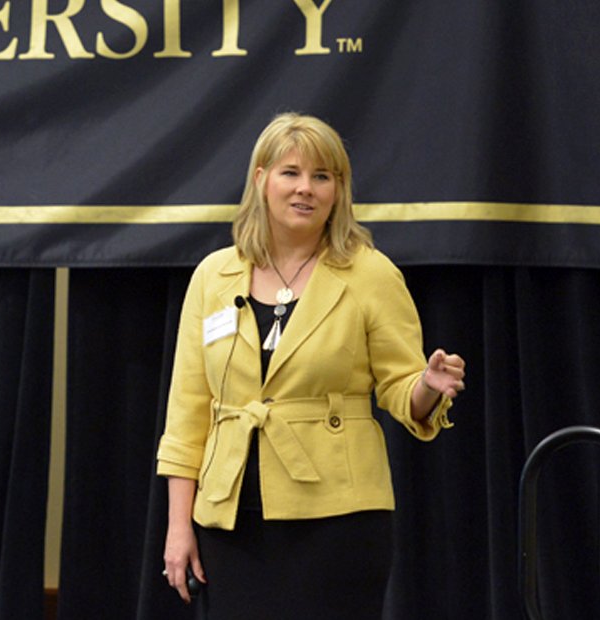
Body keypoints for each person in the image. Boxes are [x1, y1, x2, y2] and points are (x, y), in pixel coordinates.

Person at [156, 113, 466, 618]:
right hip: (229, 520)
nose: (306, 189)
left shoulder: (369, 273)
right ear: (261, 180)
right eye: (290, 173)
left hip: (338, 518)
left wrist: (427, 385)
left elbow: (400, 389)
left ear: (339, 191)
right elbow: (187, 415)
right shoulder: (213, 276)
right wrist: (178, 526)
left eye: (322, 177)